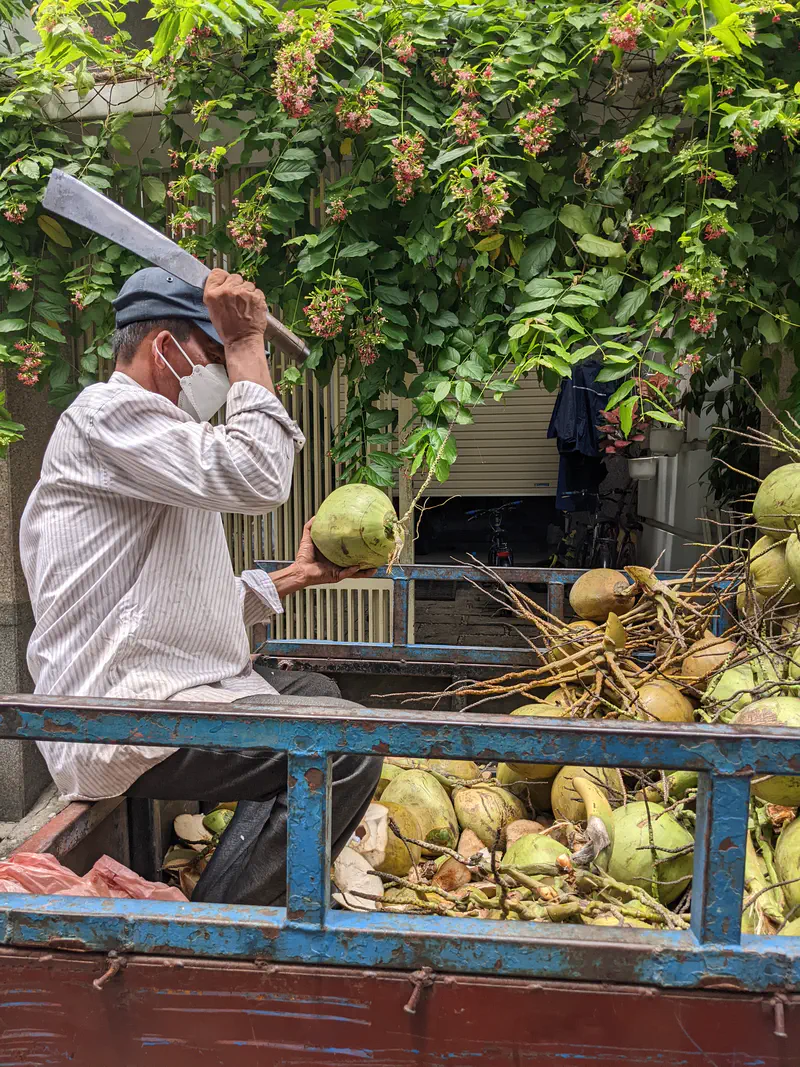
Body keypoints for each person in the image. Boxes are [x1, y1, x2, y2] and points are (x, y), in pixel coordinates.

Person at [20, 266, 381, 905]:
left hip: (162, 687)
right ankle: (218, 932)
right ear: (167, 349)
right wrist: (247, 344)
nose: (228, 374)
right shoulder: (110, 418)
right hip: (121, 708)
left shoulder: (157, 439)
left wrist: (297, 576)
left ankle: (236, 884)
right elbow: (262, 478)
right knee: (344, 745)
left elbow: (183, 602)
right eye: (213, 355)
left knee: (314, 692)